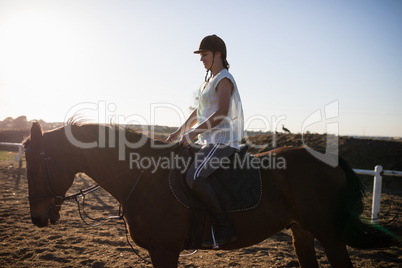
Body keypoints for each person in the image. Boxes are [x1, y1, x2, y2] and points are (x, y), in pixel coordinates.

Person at [166, 34, 244, 248]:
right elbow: (198, 114)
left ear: (218, 54)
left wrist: (192, 134)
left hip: (223, 140)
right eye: (200, 55)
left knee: (196, 176)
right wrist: (179, 132)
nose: (201, 59)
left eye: (204, 54)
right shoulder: (206, 83)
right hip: (207, 141)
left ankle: (225, 227)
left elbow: (221, 112)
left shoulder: (224, 78)